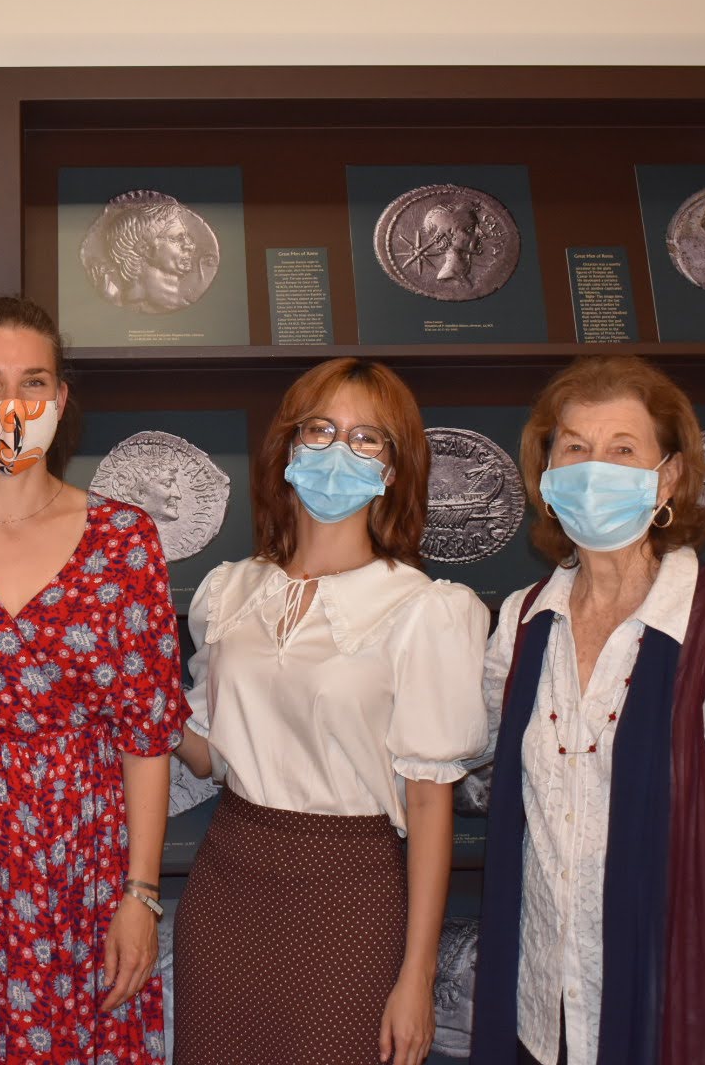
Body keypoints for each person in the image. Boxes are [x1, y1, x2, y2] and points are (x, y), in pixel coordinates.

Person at [469, 356, 705, 1065]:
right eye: (574, 448)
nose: (594, 468)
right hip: (542, 1015)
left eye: (622, 449)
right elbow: (472, 764)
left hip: (679, 1010)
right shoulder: (523, 620)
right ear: (546, 474)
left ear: (669, 477)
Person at [172, 357, 490, 1065]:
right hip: (228, 879)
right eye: (319, 429)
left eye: (366, 437)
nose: (336, 449)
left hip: (353, 891)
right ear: (288, 448)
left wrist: (416, 975)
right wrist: (138, 696)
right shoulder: (232, 593)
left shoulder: (424, 611)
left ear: (396, 469)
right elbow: (213, 755)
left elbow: (431, 804)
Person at [0, 296, 185, 1062]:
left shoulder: (123, 538)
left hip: (87, 854)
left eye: (33, 381)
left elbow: (147, 732)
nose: (10, 404)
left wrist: (140, 894)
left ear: (59, 399)